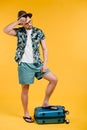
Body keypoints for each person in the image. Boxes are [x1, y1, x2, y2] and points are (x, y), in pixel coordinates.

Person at [3, 10, 58, 123]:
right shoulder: (19, 31)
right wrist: (18, 21)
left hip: (37, 63)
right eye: (27, 22)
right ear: (22, 23)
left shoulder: (38, 31)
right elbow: (6, 30)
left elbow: (45, 48)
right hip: (24, 64)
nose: (30, 24)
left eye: (30, 21)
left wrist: (45, 64)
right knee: (25, 89)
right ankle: (26, 113)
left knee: (54, 79)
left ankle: (46, 102)